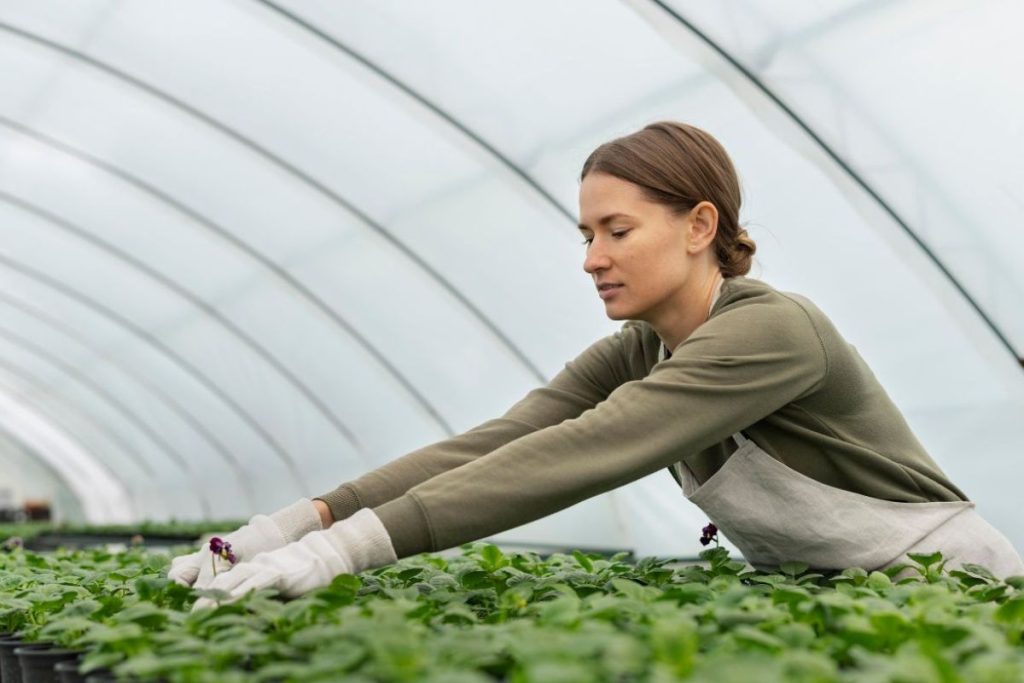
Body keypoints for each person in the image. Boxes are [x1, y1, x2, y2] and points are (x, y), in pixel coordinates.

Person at [172, 122, 1024, 607]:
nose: (592, 257)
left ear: (699, 226)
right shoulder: (643, 347)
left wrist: (349, 550)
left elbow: (592, 447)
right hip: (847, 603)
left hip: (951, 597)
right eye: (585, 235)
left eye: (617, 230)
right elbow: (505, 440)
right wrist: (297, 523)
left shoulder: (773, 331)